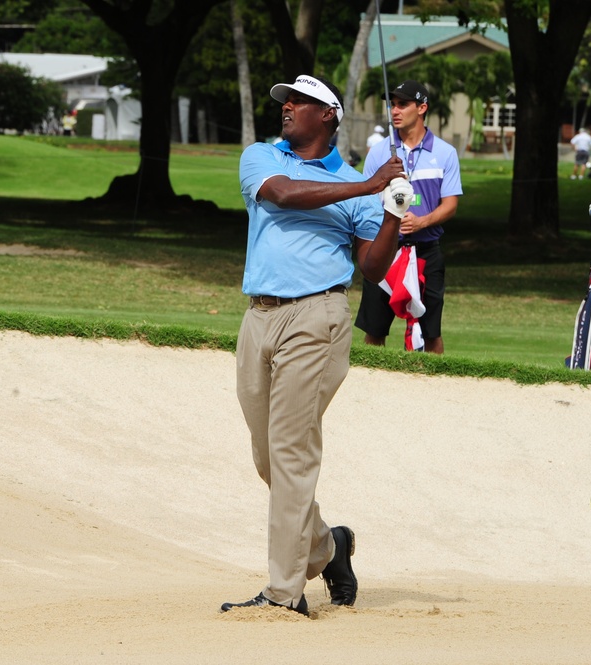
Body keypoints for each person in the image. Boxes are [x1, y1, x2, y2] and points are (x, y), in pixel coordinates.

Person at [220, 74, 409, 616]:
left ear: (328, 115)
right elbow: (282, 194)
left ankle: (284, 593)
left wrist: (393, 212)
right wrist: (369, 187)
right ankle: (329, 546)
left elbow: (373, 267)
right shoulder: (262, 158)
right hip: (258, 317)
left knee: (290, 452)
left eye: (301, 102)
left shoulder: (357, 183)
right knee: (268, 456)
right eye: (286, 101)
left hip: (316, 317)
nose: (288, 108)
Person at [354, 80, 462, 354]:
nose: (394, 110)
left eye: (403, 104)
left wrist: (422, 221)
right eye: (392, 104)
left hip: (427, 251)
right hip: (385, 251)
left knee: (432, 333)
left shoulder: (445, 153)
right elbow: (365, 200)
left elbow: (450, 205)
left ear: (422, 107)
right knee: (374, 331)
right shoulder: (380, 152)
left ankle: (434, 390)